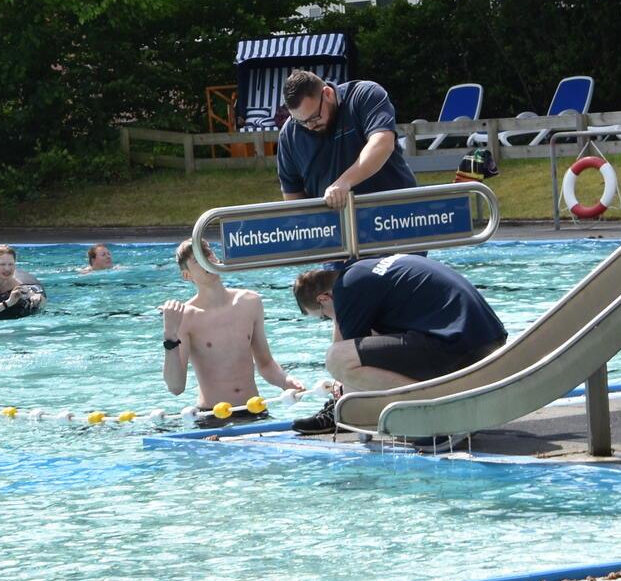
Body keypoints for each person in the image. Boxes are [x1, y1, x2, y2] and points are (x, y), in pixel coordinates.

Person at [288, 254, 507, 435]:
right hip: (488, 343)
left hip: (459, 348)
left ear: (323, 299)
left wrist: (342, 391)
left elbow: (347, 357)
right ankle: (344, 406)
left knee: (337, 359)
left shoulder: (347, 288)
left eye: (324, 316)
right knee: (358, 352)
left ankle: (434, 413)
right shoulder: (368, 270)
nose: (331, 320)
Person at [159, 239, 308, 428]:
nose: (207, 261)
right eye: (198, 260)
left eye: (208, 254)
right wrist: (170, 334)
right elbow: (175, 387)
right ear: (187, 275)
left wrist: (285, 381)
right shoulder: (185, 317)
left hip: (255, 411)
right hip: (213, 417)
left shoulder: (250, 302)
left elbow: (266, 363)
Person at [278, 70, 416, 209]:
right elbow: (293, 194)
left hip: (396, 213)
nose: (310, 126)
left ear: (328, 94)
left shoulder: (364, 95)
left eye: (314, 117)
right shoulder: (289, 134)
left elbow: (382, 143)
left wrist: (344, 182)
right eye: (301, 121)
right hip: (335, 224)